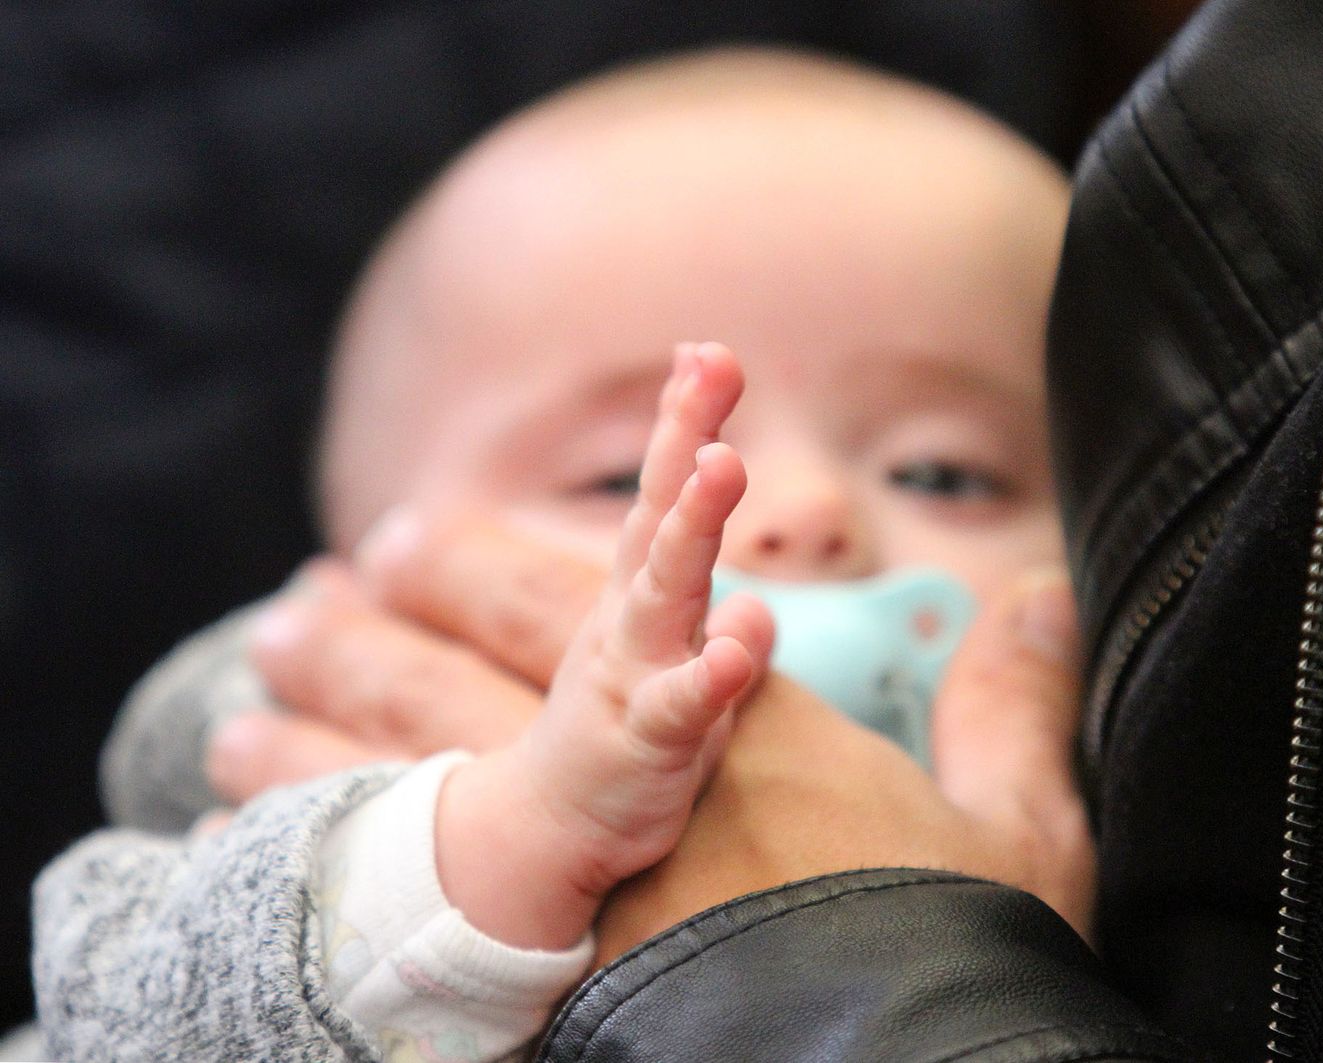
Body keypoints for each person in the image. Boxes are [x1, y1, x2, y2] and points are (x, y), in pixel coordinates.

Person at [32, 47, 1091, 1061]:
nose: (806, 512)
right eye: (623, 475)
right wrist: (501, 841)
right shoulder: (289, 725)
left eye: (944, 474)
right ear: (372, 573)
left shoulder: (1154, 829)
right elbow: (102, 1008)